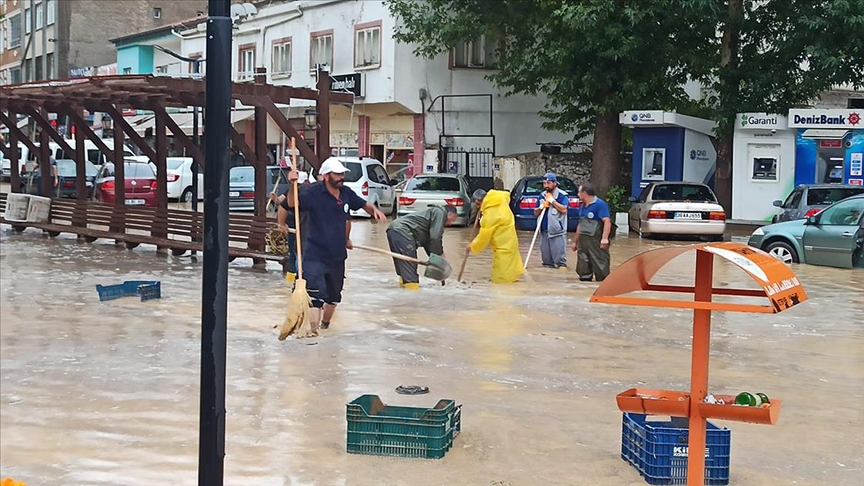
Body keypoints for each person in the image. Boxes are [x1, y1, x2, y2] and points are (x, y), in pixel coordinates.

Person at [282, 157, 387, 334]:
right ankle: (313, 334)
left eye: (341, 174)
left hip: (337, 256)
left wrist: (374, 210)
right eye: (337, 174)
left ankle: (325, 328)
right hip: (314, 255)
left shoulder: (345, 193)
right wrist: (292, 184)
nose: (341, 177)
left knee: (333, 297)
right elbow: (292, 204)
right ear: (325, 176)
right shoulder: (313, 193)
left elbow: (361, 205)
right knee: (315, 298)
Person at [387, 205, 458, 289]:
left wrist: (436, 258)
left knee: (404, 269)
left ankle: (403, 294)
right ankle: (413, 297)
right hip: (403, 232)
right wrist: (439, 253)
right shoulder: (440, 213)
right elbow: (435, 237)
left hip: (394, 231)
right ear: (449, 214)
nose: (450, 223)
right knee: (410, 271)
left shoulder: (431, 217)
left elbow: (428, 243)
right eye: (452, 220)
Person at [465, 189, 524, 283]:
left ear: (482, 201)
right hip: (511, 242)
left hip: (503, 248)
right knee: (511, 273)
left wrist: (472, 246)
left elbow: (483, 238)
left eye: (478, 204)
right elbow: (506, 195)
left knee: (502, 280)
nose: (477, 206)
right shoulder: (500, 199)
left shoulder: (489, 215)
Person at [571, 183, 612, 282]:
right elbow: (580, 225)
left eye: (579, 192)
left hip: (596, 240)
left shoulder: (600, 204)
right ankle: (585, 281)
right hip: (583, 241)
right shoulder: (582, 206)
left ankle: (602, 283)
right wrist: (575, 241)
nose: (578, 195)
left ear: (585, 193)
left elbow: (607, 221)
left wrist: (604, 238)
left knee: (599, 261)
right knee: (583, 262)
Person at [534, 172, 569, 269]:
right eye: (544, 183)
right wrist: (541, 206)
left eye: (548, 183)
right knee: (546, 262)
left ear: (555, 183)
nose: (546, 185)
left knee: (560, 262)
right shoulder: (541, 196)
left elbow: (564, 209)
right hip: (544, 232)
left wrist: (552, 201)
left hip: (557, 232)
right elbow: (535, 213)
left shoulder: (562, 195)